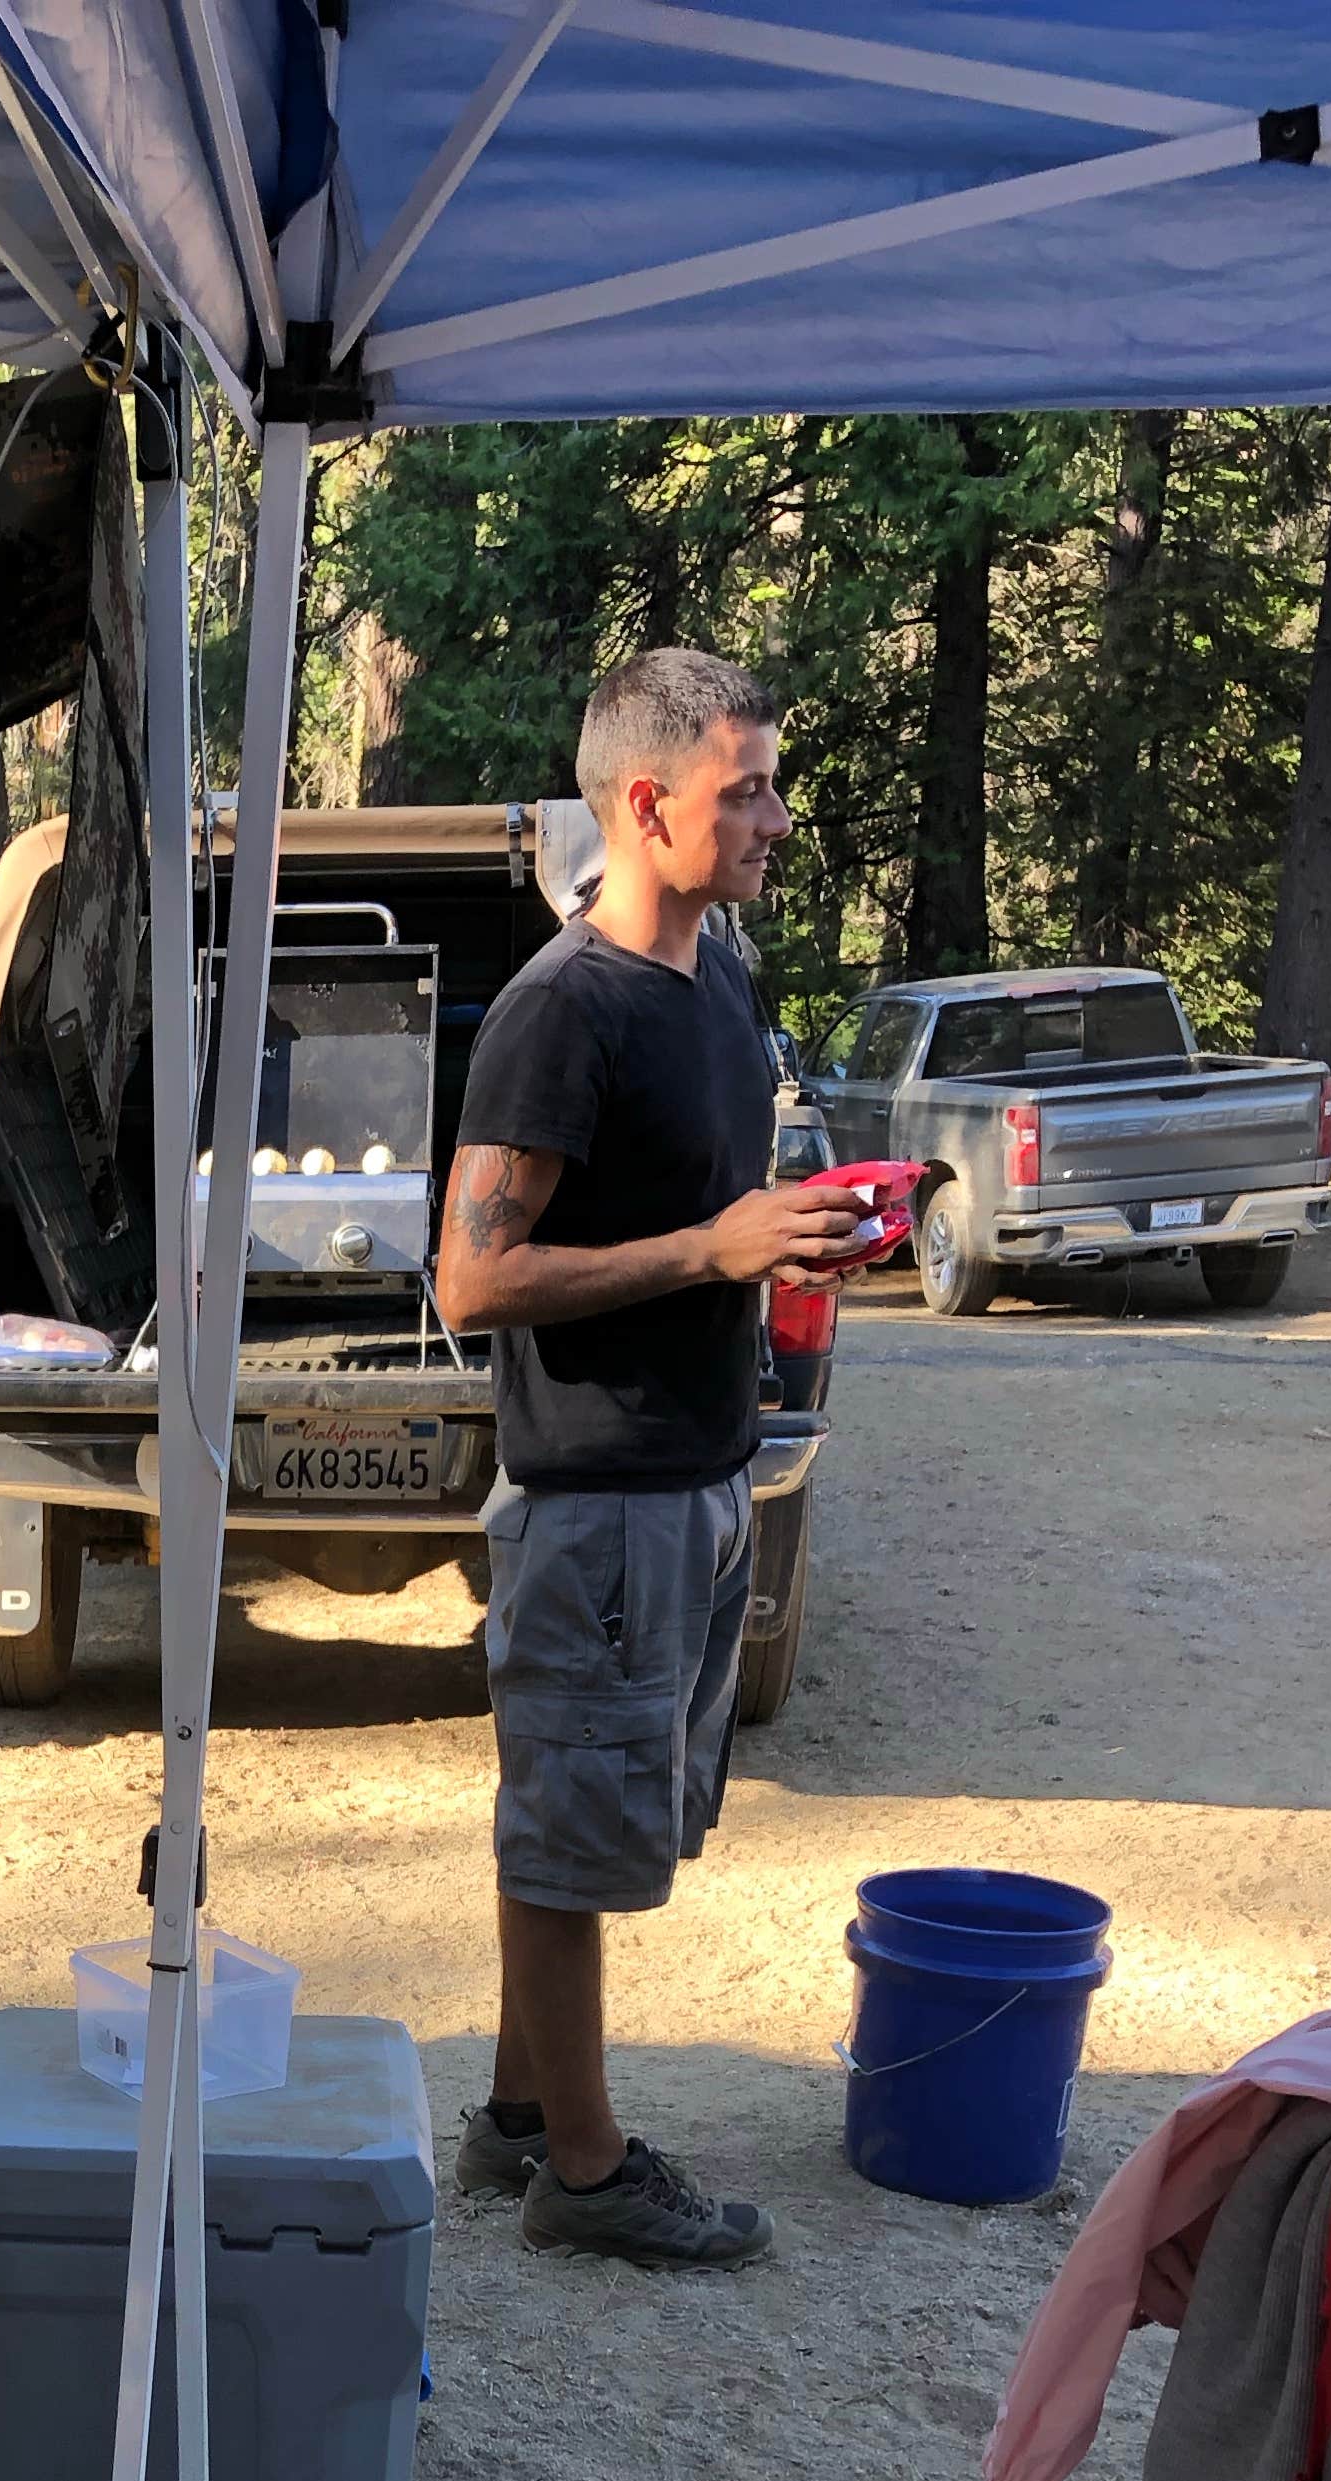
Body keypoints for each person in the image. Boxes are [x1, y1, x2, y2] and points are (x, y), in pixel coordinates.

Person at [434, 648, 868, 2270]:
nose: (776, 816)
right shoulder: (563, 1011)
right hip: (599, 1501)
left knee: (582, 1814)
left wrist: (796, 1235)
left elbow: (712, 1212)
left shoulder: (719, 979)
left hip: (698, 1478)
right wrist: (710, 1250)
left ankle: (517, 2113)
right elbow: (471, 1279)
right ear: (645, 803)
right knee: (568, 1843)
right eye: (745, 788)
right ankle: (589, 2173)